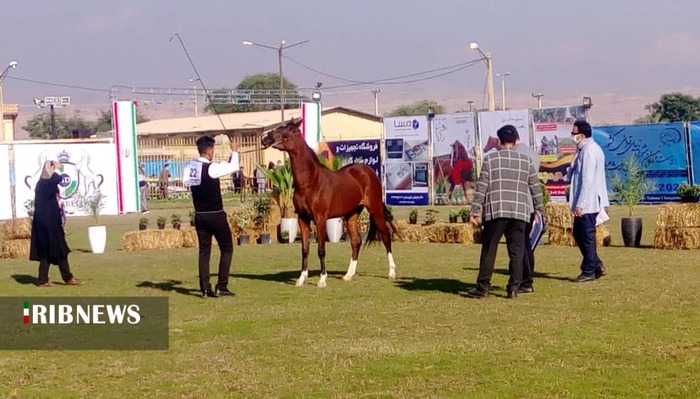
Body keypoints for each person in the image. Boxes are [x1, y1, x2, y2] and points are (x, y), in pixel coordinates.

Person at [467, 125, 544, 299]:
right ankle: (513, 288)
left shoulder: (490, 159)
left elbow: (482, 187)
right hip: (520, 212)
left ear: (499, 141)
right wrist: (540, 210)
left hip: (496, 210)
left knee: (489, 249)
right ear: (515, 139)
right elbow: (535, 187)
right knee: (516, 250)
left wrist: (475, 210)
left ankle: (483, 286)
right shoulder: (526, 161)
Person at [185, 136, 239, 298]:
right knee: (227, 249)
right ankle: (221, 285)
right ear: (209, 150)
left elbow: (213, 170)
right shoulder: (212, 167)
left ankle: (205, 288)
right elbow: (233, 167)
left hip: (199, 215)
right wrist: (234, 151)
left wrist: (225, 163)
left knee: (204, 252)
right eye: (213, 149)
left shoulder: (190, 168)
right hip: (215, 214)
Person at [29, 160, 84, 287]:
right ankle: (68, 278)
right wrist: (56, 167)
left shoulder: (41, 183)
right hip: (49, 222)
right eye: (52, 168)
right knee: (60, 249)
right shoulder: (47, 182)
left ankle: (43, 279)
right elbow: (58, 178)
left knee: (46, 252)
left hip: (42, 223)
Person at [568, 120, 609, 282]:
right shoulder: (586, 149)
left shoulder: (589, 151)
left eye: (573, 133)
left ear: (581, 135)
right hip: (588, 200)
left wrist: (580, 204)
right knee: (579, 234)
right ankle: (596, 264)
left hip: (588, 202)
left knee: (586, 235)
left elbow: (587, 179)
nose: (572, 136)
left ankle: (589, 270)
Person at [513, 129, 541, 294]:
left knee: (520, 244)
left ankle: (525, 280)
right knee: (526, 244)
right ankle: (526, 277)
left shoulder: (514, 155)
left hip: (518, 204)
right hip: (530, 203)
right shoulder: (532, 154)